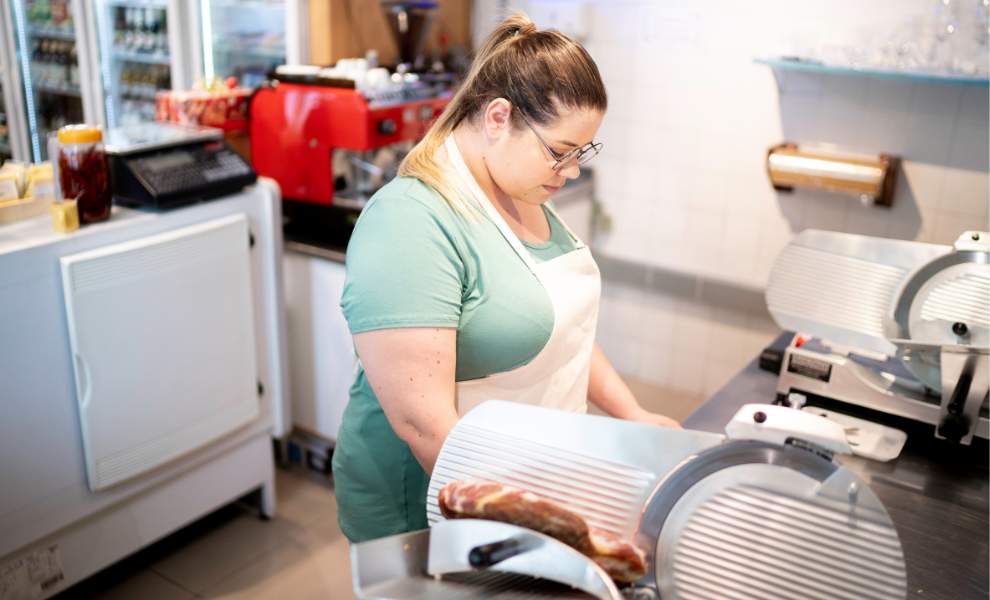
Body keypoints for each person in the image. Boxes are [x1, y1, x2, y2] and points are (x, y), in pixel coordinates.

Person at [331, 13, 680, 544]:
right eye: (561, 152)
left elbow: (566, 326)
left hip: (520, 476)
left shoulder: (520, 188)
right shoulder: (410, 222)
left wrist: (632, 413)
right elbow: (425, 428)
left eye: (582, 153)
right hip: (429, 507)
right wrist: (534, 522)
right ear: (498, 118)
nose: (572, 172)